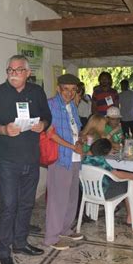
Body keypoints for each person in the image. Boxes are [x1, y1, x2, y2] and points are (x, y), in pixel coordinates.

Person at [0, 55, 52, 264]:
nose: (13, 73)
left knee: (26, 204)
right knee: (8, 206)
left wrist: (42, 125)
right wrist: (3, 130)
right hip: (8, 162)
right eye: (10, 70)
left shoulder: (36, 92)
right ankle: (4, 251)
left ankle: (20, 243)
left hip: (31, 160)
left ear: (28, 73)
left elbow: (47, 116)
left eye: (18, 70)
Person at [44, 74, 84, 251]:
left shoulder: (72, 106)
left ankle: (65, 229)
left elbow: (77, 129)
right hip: (60, 157)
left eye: (73, 90)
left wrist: (80, 142)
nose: (69, 93)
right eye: (66, 89)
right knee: (57, 198)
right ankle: (51, 237)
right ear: (58, 89)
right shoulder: (51, 105)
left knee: (71, 196)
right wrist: (71, 146)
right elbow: (50, 134)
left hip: (75, 158)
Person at [82, 138, 133, 226]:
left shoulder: (83, 158)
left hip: (87, 191)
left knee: (119, 181)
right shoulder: (100, 161)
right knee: (128, 183)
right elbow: (116, 174)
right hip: (103, 192)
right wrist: (131, 176)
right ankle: (131, 217)